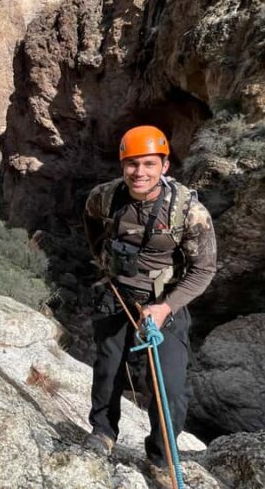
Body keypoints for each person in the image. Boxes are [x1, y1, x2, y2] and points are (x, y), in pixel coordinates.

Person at [81, 125, 217, 473]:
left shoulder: (188, 212)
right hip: (116, 296)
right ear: (122, 165)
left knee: (169, 388)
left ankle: (160, 456)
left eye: (148, 164)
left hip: (164, 304)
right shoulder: (104, 197)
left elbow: (203, 270)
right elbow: (92, 224)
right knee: (108, 370)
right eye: (131, 164)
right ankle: (103, 433)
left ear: (164, 166)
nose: (139, 172)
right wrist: (104, 261)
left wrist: (165, 307)